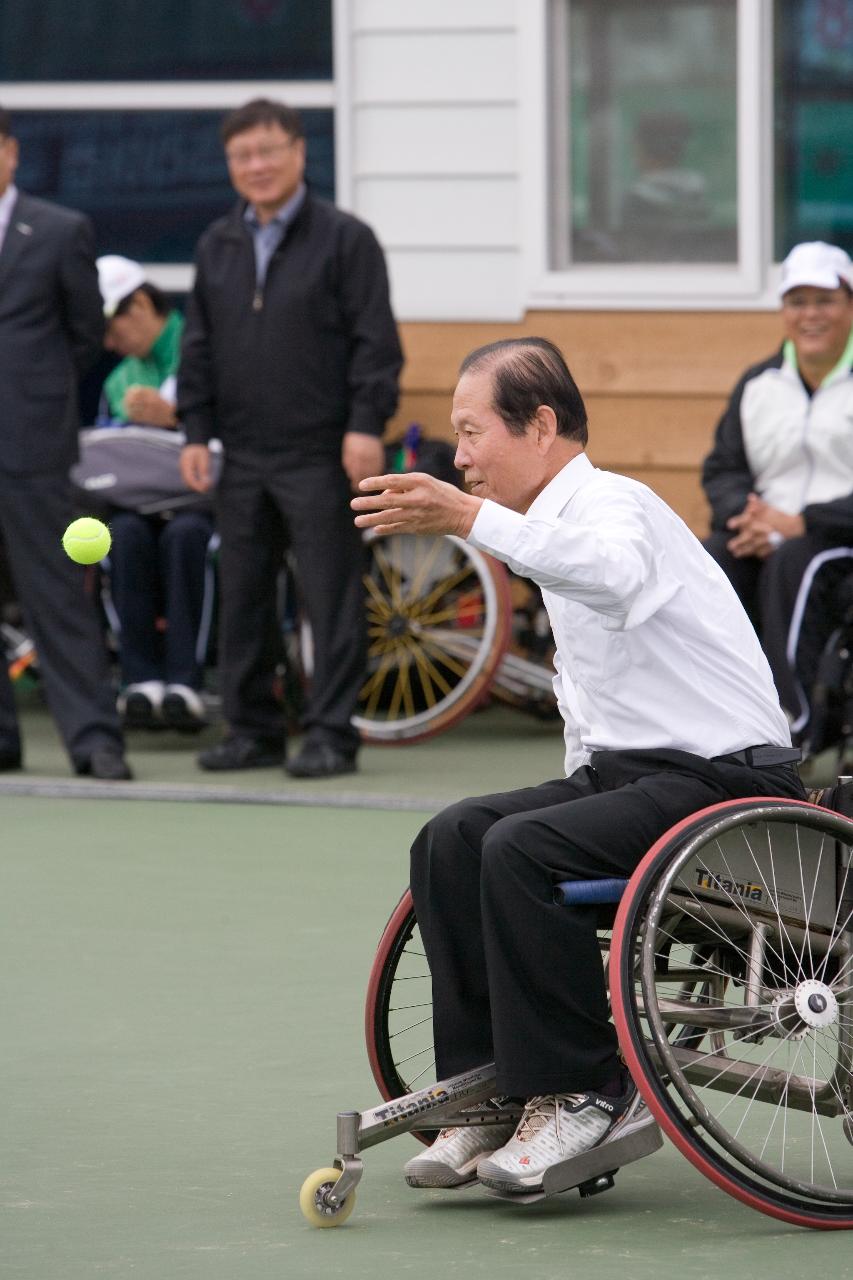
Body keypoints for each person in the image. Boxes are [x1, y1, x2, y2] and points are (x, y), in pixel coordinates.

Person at [352, 337, 803, 1196]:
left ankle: (585, 1093)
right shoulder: (546, 531)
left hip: (725, 778)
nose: (461, 457)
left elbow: (616, 580)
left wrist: (465, 519)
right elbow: (592, 701)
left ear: (542, 425)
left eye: (472, 431)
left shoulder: (613, 506)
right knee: (454, 836)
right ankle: (488, 1096)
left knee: (521, 848)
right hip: (632, 775)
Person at [178, 98, 403, 778]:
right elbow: (199, 346)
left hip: (322, 450)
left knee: (330, 600)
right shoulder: (216, 244)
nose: (257, 166)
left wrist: (366, 422)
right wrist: (194, 430)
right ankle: (252, 731)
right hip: (241, 452)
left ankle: (332, 735)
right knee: (242, 595)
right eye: (242, 155)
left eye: (268, 151)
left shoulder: (345, 240)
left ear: (299, 152)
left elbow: (376, 345)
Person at [0, 107, 131, 780]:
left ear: (11, 152)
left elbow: (84, 336)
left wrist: (33, 394)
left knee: (56, 595)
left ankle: (93, 740)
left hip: (33, 447)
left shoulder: (58, 230)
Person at [702, 241, 853, 743]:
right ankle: (709, 724)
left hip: (836, 537)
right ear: (784, 311)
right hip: (766, 531)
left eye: (824, 300)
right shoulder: (758, 383)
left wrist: (803, 522)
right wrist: (744, 517)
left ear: (849, 305)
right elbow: (723, 468)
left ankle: (793, 730)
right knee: (709, 561)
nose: (811, 314)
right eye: (798, 301)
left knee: (797, 562)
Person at [95, 255, 214, 731]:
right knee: (120, 536)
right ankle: (138, 682)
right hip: (135, 507)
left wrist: (177, 419)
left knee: (187, 537)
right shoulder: (117, 379)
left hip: (204, 505)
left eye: (111, 325)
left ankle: (187, 684)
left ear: (141, 305)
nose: (108, 342)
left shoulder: (203, 351)